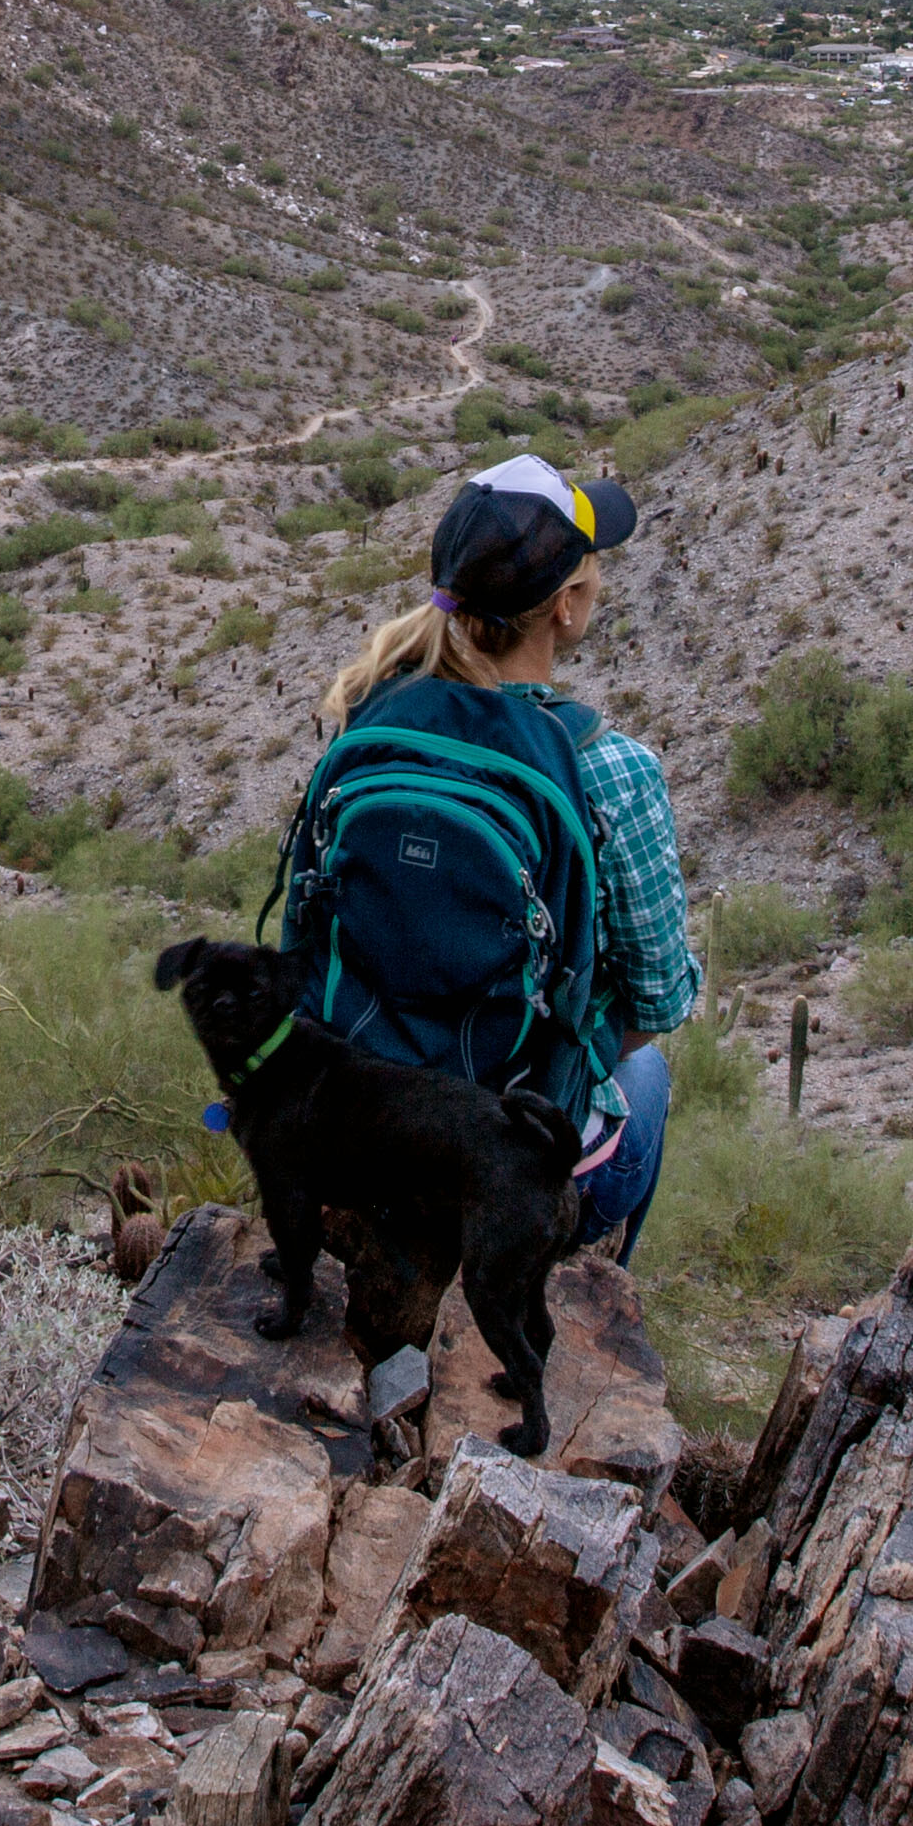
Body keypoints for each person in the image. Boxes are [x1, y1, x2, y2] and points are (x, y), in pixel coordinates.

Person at [300, 453, 697, 1251]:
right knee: (646, 1077)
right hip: (503, 1162)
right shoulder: (610, 768)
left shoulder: (372, 723)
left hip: (361, 1128)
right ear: (565, 607)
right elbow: (657, 1004)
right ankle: (591, 1281)